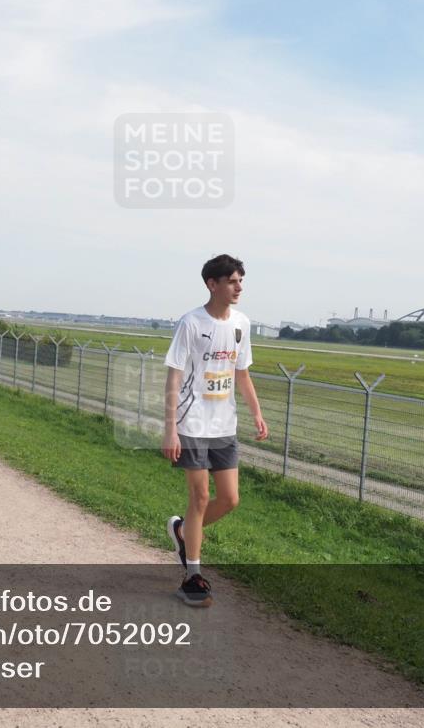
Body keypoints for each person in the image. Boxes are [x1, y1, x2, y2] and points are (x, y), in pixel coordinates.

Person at [161, 254, 268, 607]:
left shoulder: (242, 323)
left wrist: (257, 413)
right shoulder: (190, 323)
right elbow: (174, 375)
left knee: (230, 499)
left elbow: (242, 373)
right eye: (232, 281)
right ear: (213, 284)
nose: (239, 287)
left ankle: (182, 532)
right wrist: (170, 428)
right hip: (191, 423)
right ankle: (192, 574)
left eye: (241, 281)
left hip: (225, 424)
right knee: (200, 498)